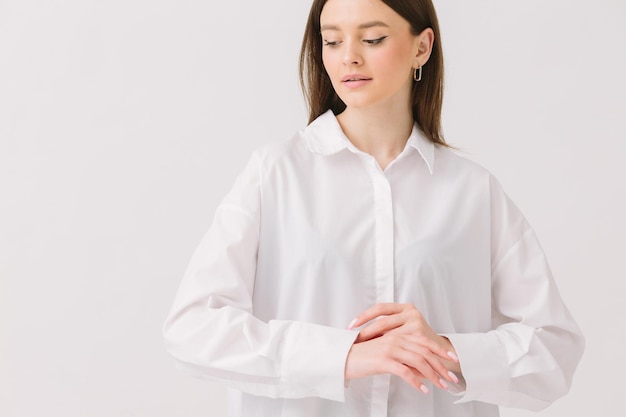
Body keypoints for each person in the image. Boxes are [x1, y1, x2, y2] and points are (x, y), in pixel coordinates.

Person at [162, 0, 585, 416]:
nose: (349, 57)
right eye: (331, 41)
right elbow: (193, 329)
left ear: (422, 47)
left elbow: (555, 349)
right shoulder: (273, 174)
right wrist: (341, 357)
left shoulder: (472, 191)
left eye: (373, 38)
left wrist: (445, 349)